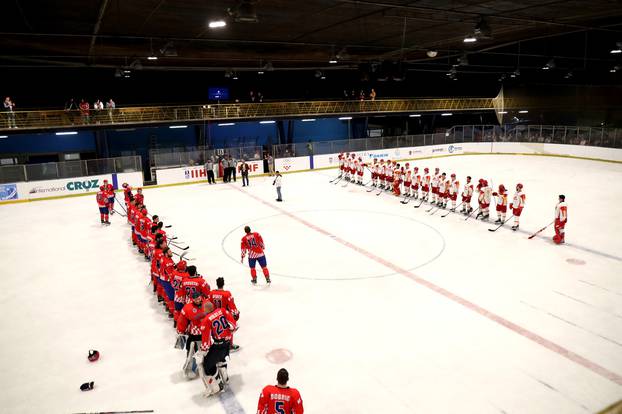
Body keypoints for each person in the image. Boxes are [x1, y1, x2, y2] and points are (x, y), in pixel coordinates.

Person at [194, 301, 237, 396]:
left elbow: (206, 342)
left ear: (205, 310)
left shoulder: (206, 320)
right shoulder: (222, 310)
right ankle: (225, 378)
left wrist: (202, 351)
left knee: (208, 366)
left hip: (219, 346)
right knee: (221, 359)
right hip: (227, 343)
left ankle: (219, 386)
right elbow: (234, 326)